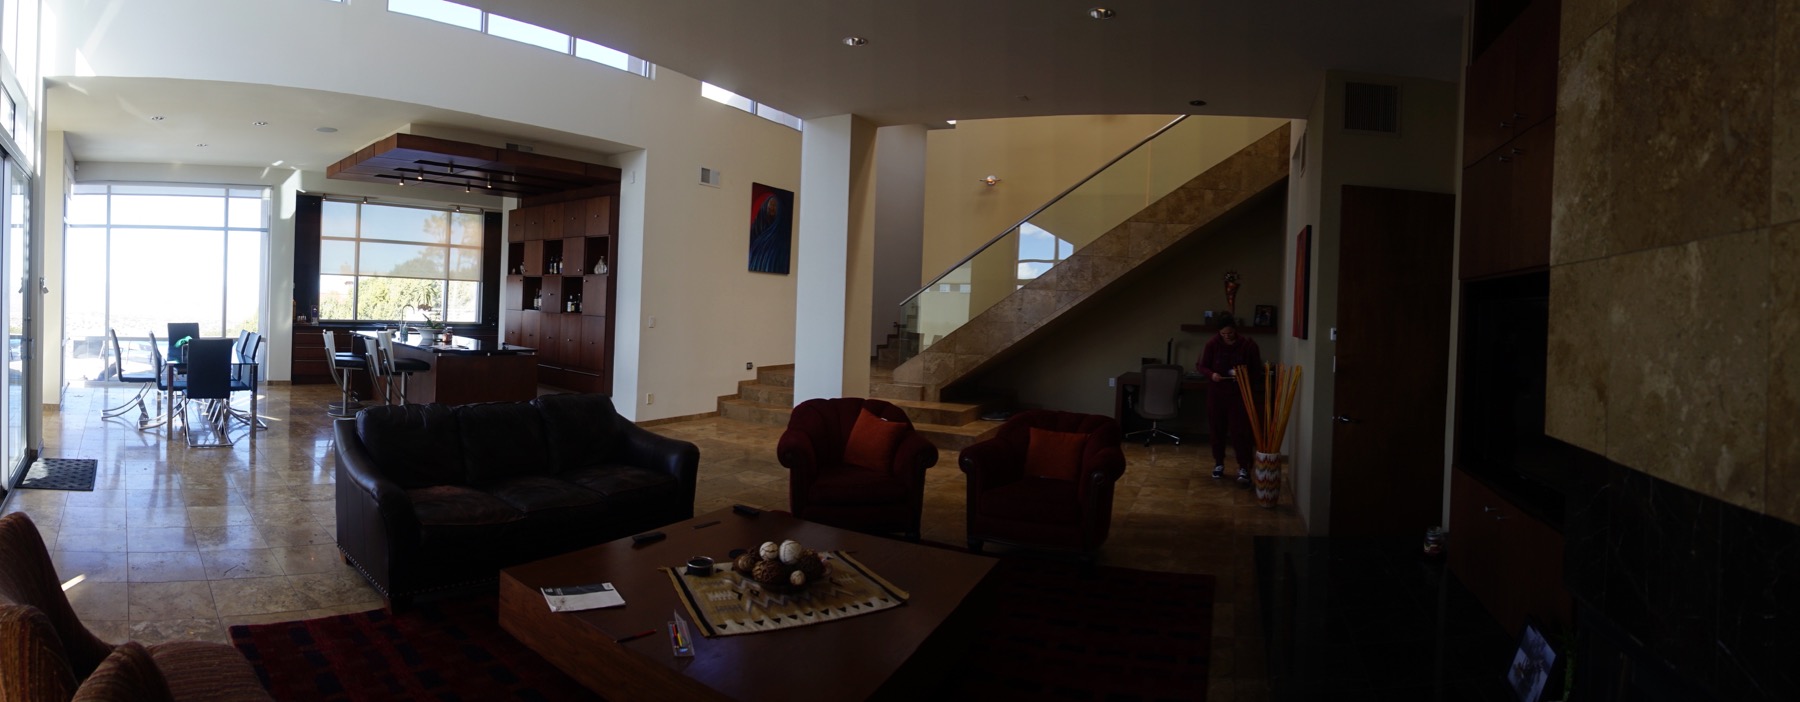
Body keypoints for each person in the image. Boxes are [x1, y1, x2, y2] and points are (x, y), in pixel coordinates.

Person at [1197, 314, 1263, 483]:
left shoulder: (1248, 345)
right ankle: (1219, 463)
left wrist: (1243, 376)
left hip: (1240, 395)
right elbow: (1202, 366)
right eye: (1223, 334)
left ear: (1235, 330)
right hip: (1217, 394)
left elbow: (1257, 370)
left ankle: (1243, 467)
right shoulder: (1212, 344)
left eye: (1230, 333)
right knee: (1217, 429)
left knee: (1240, 432)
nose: (1227, 336)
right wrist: (1212, 375)